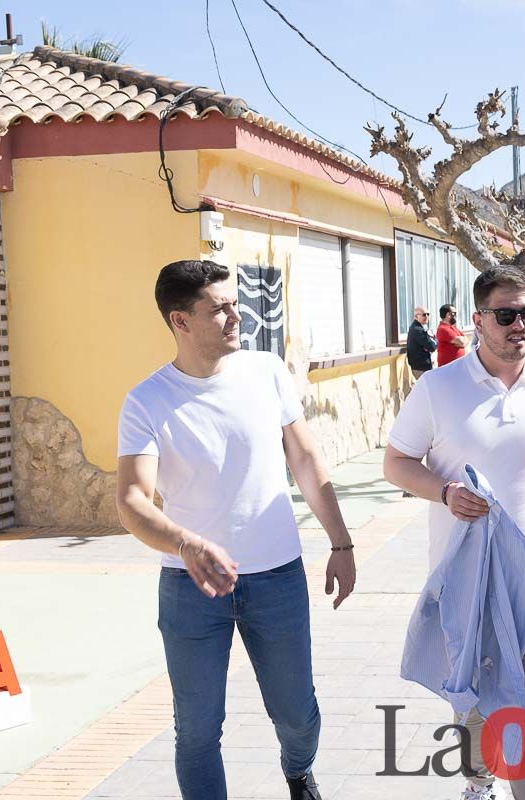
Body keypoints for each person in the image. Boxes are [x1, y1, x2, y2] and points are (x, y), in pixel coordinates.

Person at [115, 261, 356, 800]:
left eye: (233, 303)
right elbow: (132, 500)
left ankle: (298, 771)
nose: (234, 315)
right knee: (197, 730)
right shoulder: (147, 401)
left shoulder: (266, 370)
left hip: (277, 577)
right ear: (180, 321)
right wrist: (185, 542)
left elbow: (306, 458)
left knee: (297, 715)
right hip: (190, 587)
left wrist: (340, 542)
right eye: (218, 308)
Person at [384, 267, 525, 800]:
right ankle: (478, 783)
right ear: (478, 320)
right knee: (474, 703)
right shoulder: (438, 388)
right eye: (506, 314)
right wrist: (446, 493)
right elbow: (397, 462)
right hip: (466, 585)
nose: (520, 325)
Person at [405, 306, 438, 379]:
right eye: (424, 315)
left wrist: (432, 342)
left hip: (424, 365)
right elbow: (432, 347)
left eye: (428, 314)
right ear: (416, 316)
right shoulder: (417, 329)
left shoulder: (422, 327)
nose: (426, 317)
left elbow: (430, 344)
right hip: (420, 367)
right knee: (426, 388)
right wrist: (435, 341)